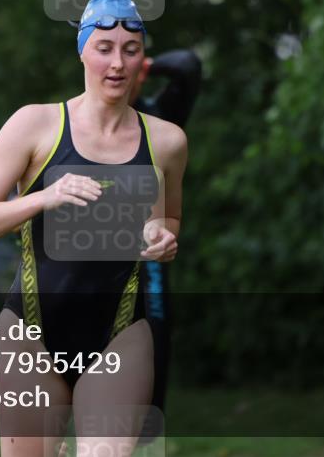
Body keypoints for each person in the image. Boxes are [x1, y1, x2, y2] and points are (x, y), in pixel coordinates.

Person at [0, 0, 188, 456]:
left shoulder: (166, 142)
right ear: (82, 50)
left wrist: (163, 236)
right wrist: (44, 196)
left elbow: (165, 219)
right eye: (104, 48)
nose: (117, 63)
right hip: (32, 331)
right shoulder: (35, 126)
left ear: (143, 58)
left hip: (120, 331)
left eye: (130, 49)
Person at [129, 46, 201, 442]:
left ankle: (147, 436)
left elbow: (189, 65)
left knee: (154, 331)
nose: (121, 64)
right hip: (93, 257)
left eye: (133, 54)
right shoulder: (84, 121)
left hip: (146, 256)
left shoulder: (159, 118)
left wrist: (145, 63)